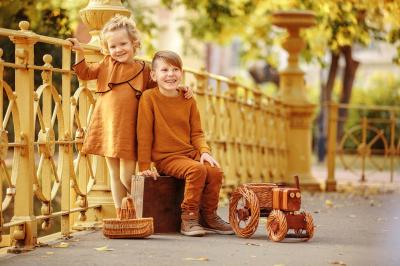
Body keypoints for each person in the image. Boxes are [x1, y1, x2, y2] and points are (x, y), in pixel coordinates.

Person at [67, 15, 192, 218]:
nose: (119, 50)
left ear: (134, 44)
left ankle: (145, 207)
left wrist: (181, 88)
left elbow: (161, 87)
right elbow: (84, 73)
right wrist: (79, 52)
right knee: (114, 175)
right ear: (107, 49)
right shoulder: (106, 64)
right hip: (107, 126)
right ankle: (122, 215)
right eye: (113, 46)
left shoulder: (144, 70)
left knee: (127, 176)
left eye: (123, 44)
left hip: (131, 129)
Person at [137, 50, 233, 236]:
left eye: (175, 69)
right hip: (166, 158)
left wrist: (204, 152)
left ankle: (209, 216)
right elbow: (144, 135)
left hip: (189, 153)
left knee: (214, 170)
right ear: (154, 75)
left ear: (182, 73)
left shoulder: (188, 99)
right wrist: (144, 165)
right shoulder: (149, 98)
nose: (171, 74)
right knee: (197, 170)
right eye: (164, 70)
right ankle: (188, 218)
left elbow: (197, 132)